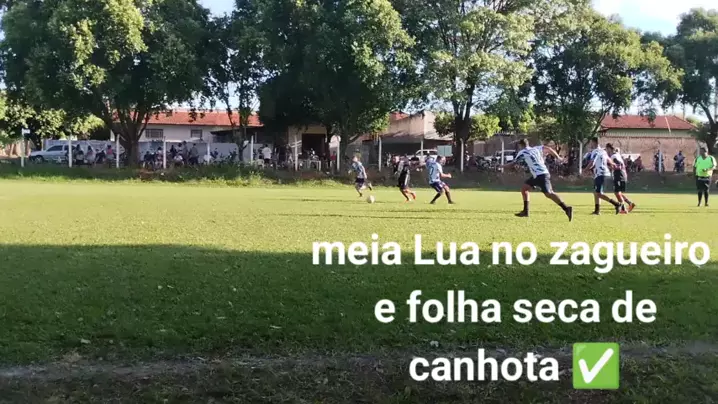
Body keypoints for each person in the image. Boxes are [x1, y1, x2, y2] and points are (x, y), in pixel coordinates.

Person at [500, 138, 572, 220]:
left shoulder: (522, 152)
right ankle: (526, 211)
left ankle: (566, 208)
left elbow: (513, 164)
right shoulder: (536, 149)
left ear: (521, 145)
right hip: (539, 174)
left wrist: (501, 166)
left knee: (549, 193)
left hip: (541, 175)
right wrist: (558, 158)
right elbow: (548, 149)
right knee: (524, 188)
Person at [586, 137, 622, 215]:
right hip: (604, 173)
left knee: (598, 193)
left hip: (600, 174)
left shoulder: (595, 151)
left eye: (591, 142)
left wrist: (586, 169)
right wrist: (613, 164)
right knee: (596, 192)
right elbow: (609, 160)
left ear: (594, 142)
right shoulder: (603, 151)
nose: (590, 144)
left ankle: (616, 204)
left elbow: (592, 162)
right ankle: (597, 210)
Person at [606, 144, 636, 213]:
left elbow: (619, 165)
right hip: (621, 175)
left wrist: (610, 167)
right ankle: (630, 204)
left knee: (617, 193)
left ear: (609, 148)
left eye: (607, 149)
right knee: (618, 192)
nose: (607, 151)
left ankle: (623, 209)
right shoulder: (617, 155)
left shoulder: (614, 156)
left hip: (619, 175)